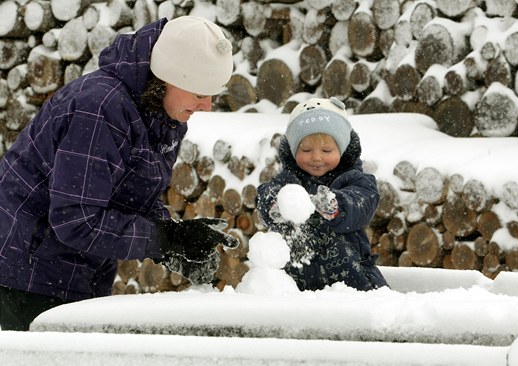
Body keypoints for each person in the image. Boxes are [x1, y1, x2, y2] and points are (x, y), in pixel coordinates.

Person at [0, 16, 239, 331]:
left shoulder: (162, 114)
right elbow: (77, 219)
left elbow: (135, 199)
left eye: (213, 93)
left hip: (80, 271)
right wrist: (162, 241)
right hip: (29, 273)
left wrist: (176, 239)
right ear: (167, 77)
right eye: (198, 92)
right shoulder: (99, 108)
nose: (207, 105)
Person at [256, 97, 388, 291]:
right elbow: (264, 197)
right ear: (293, 151)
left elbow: (361, 204)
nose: (316, 157)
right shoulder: (287, 181)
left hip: (353, 283)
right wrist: (276, 205)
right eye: (306, 149)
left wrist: (336, 205)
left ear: (342, 149)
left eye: (327, 150)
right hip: (296, 287)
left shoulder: (356, 180)